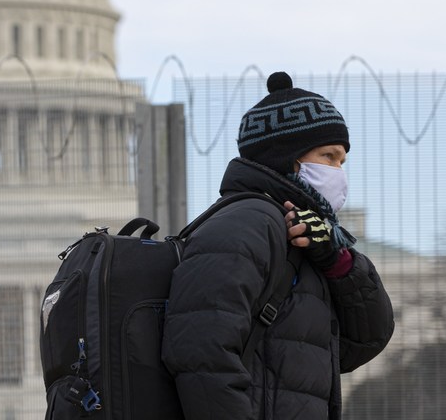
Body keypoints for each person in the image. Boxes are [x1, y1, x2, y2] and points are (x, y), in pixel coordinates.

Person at [162, 71, 394, 420]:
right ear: (289, 158)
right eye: (329, 157)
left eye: (342, 161)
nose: (339, 173)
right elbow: (201, 353)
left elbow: (359, 343)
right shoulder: (246, 224)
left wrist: (338, 261)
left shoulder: (308, 235)